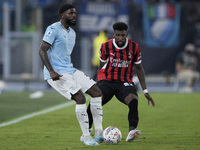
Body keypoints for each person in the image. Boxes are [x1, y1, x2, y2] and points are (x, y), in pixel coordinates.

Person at [39, 3, 103, 146]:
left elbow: (64, 55)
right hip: (57, 74)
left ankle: (99, 132)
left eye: (74, 13)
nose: (74, 16)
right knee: (80, 98)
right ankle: (86, 137)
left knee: (97, 92)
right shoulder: (53, 29)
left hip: (70, 70)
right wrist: (51, 71)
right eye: (70, 13)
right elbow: (42, 50)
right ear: (62, 15)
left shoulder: (72, 33)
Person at [85, 22, 155, 142]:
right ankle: (87, 131)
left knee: (133, 99)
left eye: (123, 35)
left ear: (126, 34)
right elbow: (101, 66)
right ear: (113, 34)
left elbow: (139, 68)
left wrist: (145, 90)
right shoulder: (105, 46)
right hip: (107, 80)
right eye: (118, 35)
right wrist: (98, 83)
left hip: (125, 82)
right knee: (95, 102)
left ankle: (132, 131)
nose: (120, 38)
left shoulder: (134, 47)